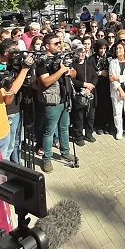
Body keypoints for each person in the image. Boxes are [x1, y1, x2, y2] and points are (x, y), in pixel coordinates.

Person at [35, 33, 76, 173]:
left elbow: (74, 73)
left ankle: (65, 152)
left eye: (60, 42)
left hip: (65, 97)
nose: (60, 45)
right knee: (49, 131)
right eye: (56, 43)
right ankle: (46, 159)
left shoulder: (63, 57)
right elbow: (45, 82)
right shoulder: (42, 61)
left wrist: (69, 71)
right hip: (52, 101)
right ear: (47, 46)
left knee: (64, 128)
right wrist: (61, 70)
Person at [69, 42, 97, 145]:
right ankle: (78, 136)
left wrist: (90, 86)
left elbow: (95, 76)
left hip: (90, 93)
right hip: (79, 93)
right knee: (79, 117)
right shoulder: (73, 65)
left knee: (90, 116)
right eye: (80, 52)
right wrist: (84, 85)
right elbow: (72, 80)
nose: (82, 54)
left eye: (84, 52)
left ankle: (89, 134)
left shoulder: (89, 63)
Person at [108, 42, 125, 140]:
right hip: (117, 91)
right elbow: (111, 78)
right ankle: (119, 130)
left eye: (120, 48)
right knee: (117, 112)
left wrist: (117, 77)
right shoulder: (112, 62)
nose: (117, 50)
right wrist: (120, 90)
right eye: (116, 49)